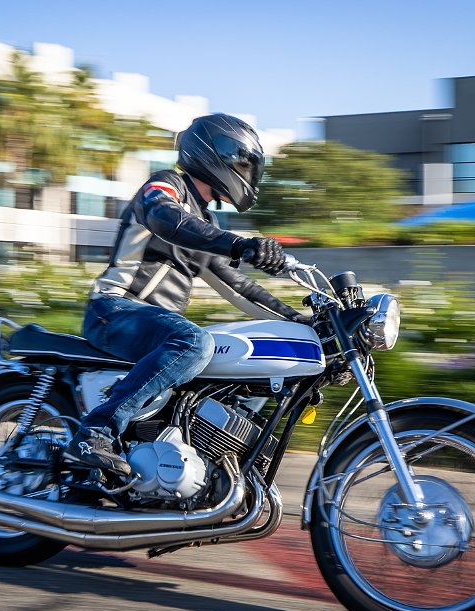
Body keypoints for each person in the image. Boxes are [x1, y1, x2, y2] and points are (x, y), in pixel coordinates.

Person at [62, 113, 307, 476]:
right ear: (214, 155)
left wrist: (301, 322)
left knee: (240, 356)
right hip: (114, 310)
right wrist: (242, 245)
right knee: (195, 342)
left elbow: (238, 287)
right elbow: (165, 217)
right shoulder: (165, 186)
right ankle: (95, 432)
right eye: (243, 162)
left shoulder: (206, 225)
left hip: (153, 324)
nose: (247, 172)